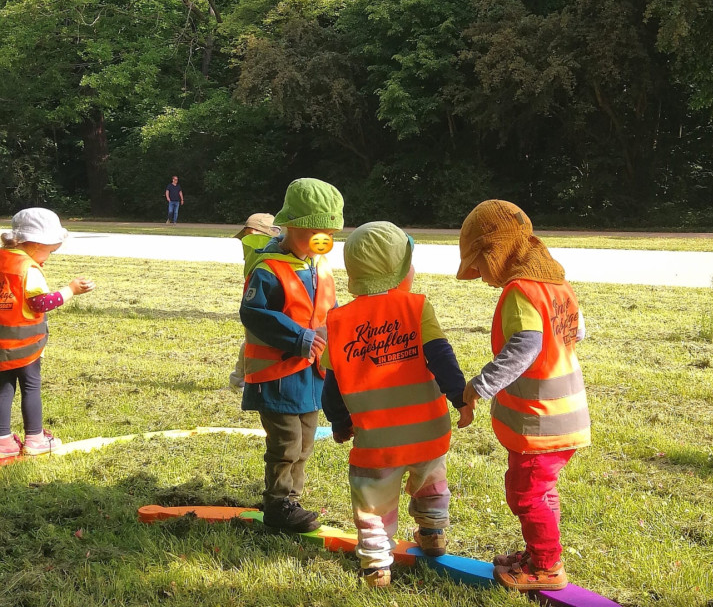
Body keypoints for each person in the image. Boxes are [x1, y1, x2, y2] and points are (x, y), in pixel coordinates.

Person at [321, 221, 473, 588]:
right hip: (427, 432)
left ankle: (376, 565)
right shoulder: (417, 307)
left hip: (376, 442)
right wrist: (460, 398)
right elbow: (441, 357)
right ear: (399, 271)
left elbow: (332, 386)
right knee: (431, 483)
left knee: (373, 503)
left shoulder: (338, 321)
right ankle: (433, 533)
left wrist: (341, 424)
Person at [456, 200, 590, 593]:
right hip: (567, 415)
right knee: (538, 491)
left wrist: (478, 386)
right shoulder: (556, 283)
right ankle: (539, 554)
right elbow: (577, 333)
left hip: (540, 420)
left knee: (526, 494)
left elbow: (524, 348)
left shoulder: (521, 291)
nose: (479, 275)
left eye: (479, 263)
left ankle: (547, 567)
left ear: (496, 251)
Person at [238, 178, 343, 533]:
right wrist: (299, 337)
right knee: (286, 442)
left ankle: (290, 499)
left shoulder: (319, 263)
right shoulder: (268, 268)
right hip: (278, 374)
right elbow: (254, 313)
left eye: (327, 235)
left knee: (305, 440)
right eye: (315, 234)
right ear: (291, 226)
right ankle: (279, 503)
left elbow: (331, 308)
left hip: (312, 375)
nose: (321, 242)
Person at [0, 208, 95, 459]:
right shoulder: (27, 268)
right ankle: (35, 438)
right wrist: (71, 290)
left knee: (3, 389)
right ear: (34, 243)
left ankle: (3, 442)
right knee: (30, 387)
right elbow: (40, 303)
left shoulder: (3, 259)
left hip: (1, 345)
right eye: (50, 250)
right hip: (26, 346)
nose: (48, 257)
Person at [229, 213, 281, 390]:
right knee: (254, 338)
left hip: (261, 297)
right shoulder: (266, 247)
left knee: (254, 338)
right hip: (264, 298)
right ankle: (240, 379)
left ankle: (241, 379)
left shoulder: (255, 247)